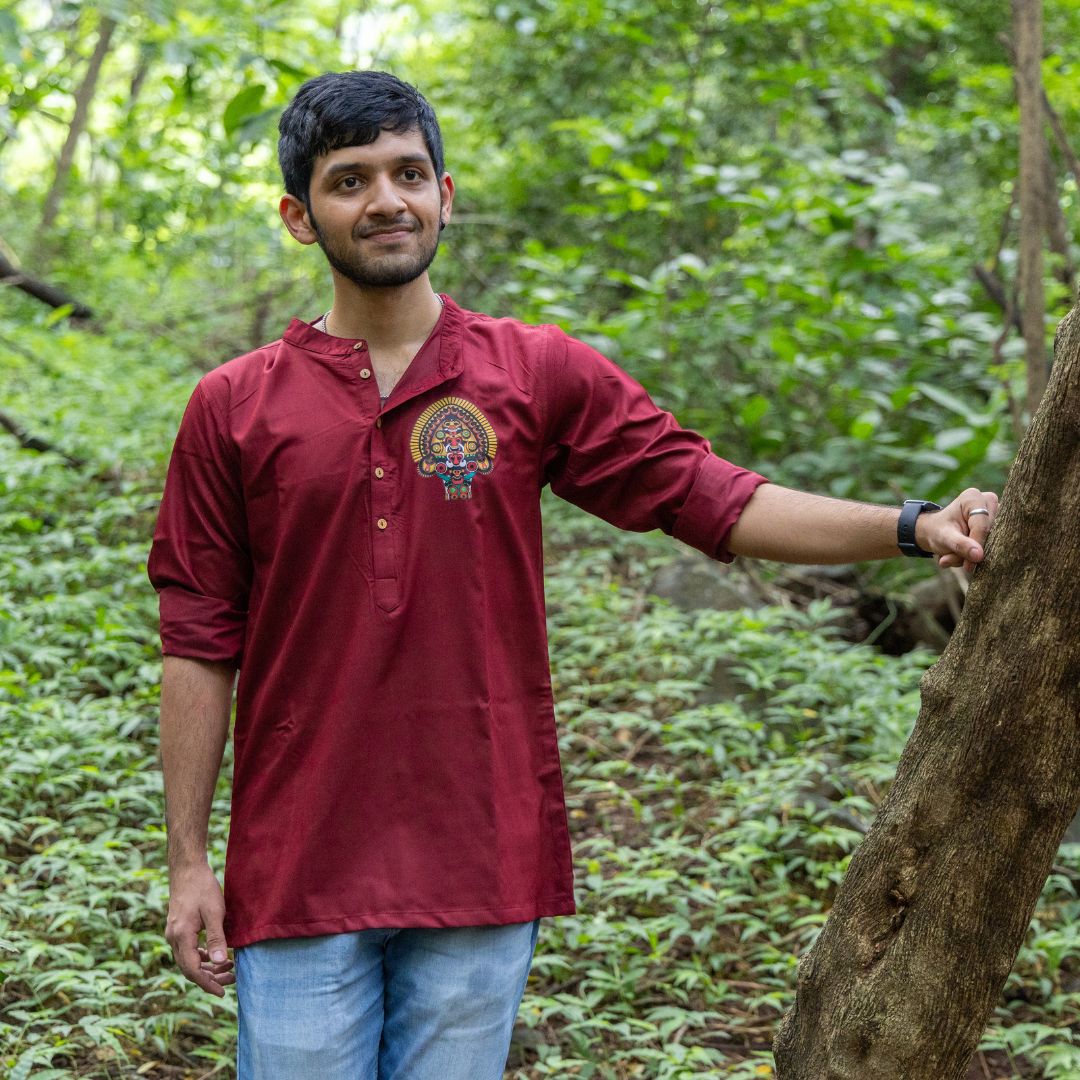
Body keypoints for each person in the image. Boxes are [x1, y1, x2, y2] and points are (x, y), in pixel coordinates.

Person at [147, 70, 998, 1080]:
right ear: (300, 215)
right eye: (349, 180)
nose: (386, 200)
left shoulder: (531, 371)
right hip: (295, 863)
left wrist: (913, 525)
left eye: (409, 173)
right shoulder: (234, 406)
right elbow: (200, 643)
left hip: (483, 851)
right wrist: (191, 861)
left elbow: (711, 497)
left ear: (446, 196)